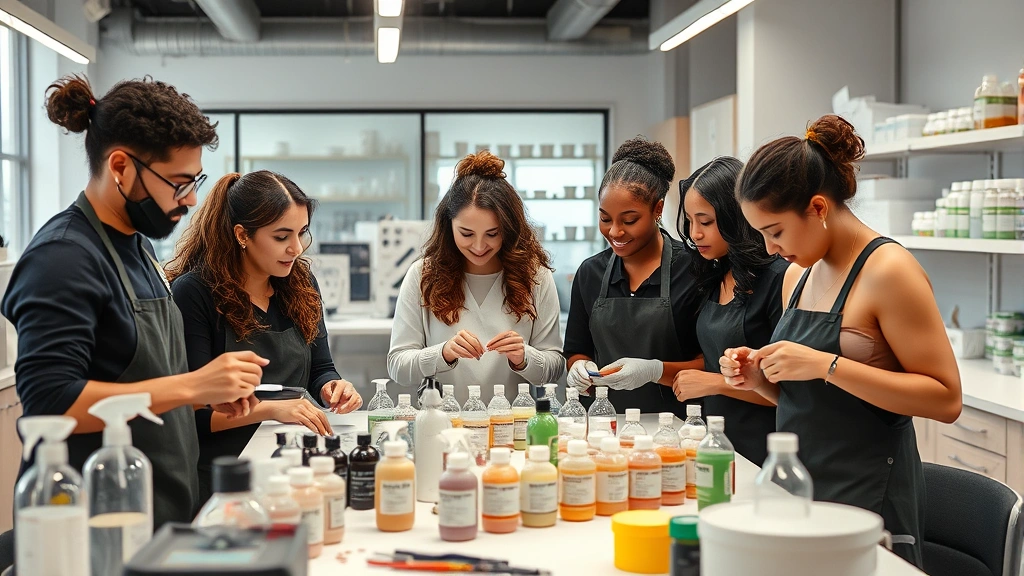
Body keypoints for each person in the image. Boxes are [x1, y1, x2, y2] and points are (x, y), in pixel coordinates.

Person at [1, 75, 266, 529]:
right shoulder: (63, 258)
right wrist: (192, 387)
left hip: (156, 513)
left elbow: (145, 380)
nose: (192, 199)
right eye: (179, 183)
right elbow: (50, 400)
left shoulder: (138, 248)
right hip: (88, 525)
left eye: (195, 181)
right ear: (120, 166)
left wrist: (203, 399)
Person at [722, 115, 962, 567]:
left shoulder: (888, 271)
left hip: (869, 500)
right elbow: (816, 403)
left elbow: (946, 399)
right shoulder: (799, 273)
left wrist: (824, 364)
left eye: (775, 232)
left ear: (817, 208)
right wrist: (760, 378)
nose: (770, 249)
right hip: (802, 492)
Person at [167, 170, 362, 500]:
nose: (296, 248)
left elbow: (320, 368)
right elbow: (192, 415)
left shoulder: (300, 284)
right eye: (281, 237)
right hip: (223, 478)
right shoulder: (195, 293)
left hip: (289, 465)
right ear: (243, 235)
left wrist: (332, 387)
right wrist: (271, 408)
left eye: (301, 233)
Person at [388, 151, 564, 403]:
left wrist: (524, 357)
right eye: (467, 234)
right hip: (441, 425)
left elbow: (555, 368)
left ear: (510, 228)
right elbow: (397, 367)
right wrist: (443, 354)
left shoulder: (535, 276)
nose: (479, 246)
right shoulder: (422, 275)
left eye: (492, 234)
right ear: (448, 225)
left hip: (511, 425)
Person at [563, 136, 704, 416]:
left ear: (658, 209)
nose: (615, 232)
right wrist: (579, 368)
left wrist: (654, 370)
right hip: (605, 427)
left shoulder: (694, 269)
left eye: (629, 220)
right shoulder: (590, 273)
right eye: (605, 219)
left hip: (677, 427)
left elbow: (710, 363)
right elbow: (577, 350)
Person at [672, 157, 786, 466]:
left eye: (705, 222)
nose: (695, 234)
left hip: (765, 447)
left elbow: (788, 393)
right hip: (719, 441)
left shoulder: (777, 278)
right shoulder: (714, 273)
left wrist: (712, 382)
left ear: (737, 217)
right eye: (690, 221)